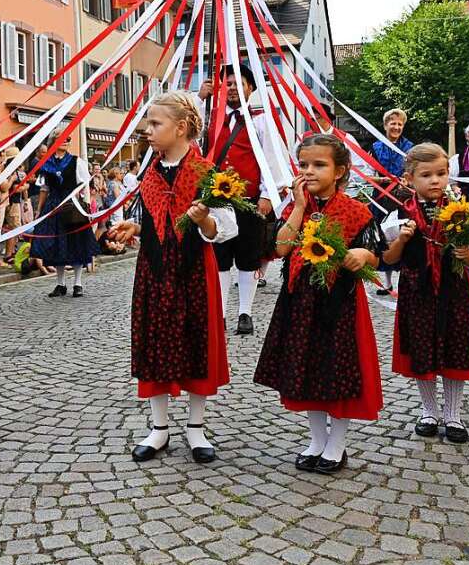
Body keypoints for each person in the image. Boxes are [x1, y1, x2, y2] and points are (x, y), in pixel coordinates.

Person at [110, 92, 234, 464]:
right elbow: (155, 217)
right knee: (155, 338)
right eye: (148, 123)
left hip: (194, 271)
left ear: (180, 128)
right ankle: (159, 427)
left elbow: (225, 228)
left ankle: (196, 427)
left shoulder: (207, 173)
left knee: (197, 339)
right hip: (154, 269)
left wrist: (204, 220)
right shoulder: (150, 172)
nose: (147, 130)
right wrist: (136, 225)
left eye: (155, 124)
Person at [254, 134, 383, 474]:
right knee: (308, 371)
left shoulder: (356, 211)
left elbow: (376, 254)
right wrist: (297, 207)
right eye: (304, 165)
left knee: (337, 373)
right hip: (300, 302)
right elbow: (280, 248)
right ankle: (315, 439)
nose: (309, 172)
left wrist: (362, 254)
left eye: (319, 165)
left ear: (340, 171)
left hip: (339, 305)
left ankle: (337, 443)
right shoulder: (298, 208)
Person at [382, 144, 469, 444]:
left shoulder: (463, 212)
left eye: (441, 173)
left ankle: (453, 414)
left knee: (455, 347)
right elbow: (389, 259)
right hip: (417, 289)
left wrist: (467, 254)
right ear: (408, 179)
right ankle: (428, 410)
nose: (435, 181)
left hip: (453, 289)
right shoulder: (400, 214)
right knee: (422, 348)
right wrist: (402, 240)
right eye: (426, 175)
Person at [196, 64, 288, 336]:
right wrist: (201, 97)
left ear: (250, 88)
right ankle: (221, 313)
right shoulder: (210, 117)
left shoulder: (260, 119)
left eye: (239, 83)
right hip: (217, 201)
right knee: (221, 258)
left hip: (249, 201)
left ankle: (245, 313)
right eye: (228, 83)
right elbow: (186, 126)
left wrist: (267, 195)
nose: (233, 87)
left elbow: (270, 159)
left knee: (248, 258)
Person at [31, 132, 99, 297]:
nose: (65, 142)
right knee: (56, 245)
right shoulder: (47, 164)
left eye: (68, 139)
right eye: (61, 139)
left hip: (71, 205)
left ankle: (77, 283)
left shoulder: (77, 161)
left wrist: (85, 206)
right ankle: (60, 284)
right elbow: (45, 188)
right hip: (53, 206)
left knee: (75, 243)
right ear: (53, 142)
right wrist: (39, 210)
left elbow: (84, 185)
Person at [370, 108, 414, 295]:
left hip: (402, 197)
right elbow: (368, 173)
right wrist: (380, 180)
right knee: (382, 236)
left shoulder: (410, 146)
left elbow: (414, 169)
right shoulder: (375, 146)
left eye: (399, 124)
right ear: (386, 125)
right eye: (393, 123)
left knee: (401, 235)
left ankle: (406, 279)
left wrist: (406, 180)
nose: (396, 127)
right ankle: (386, 283)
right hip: (380, 196)